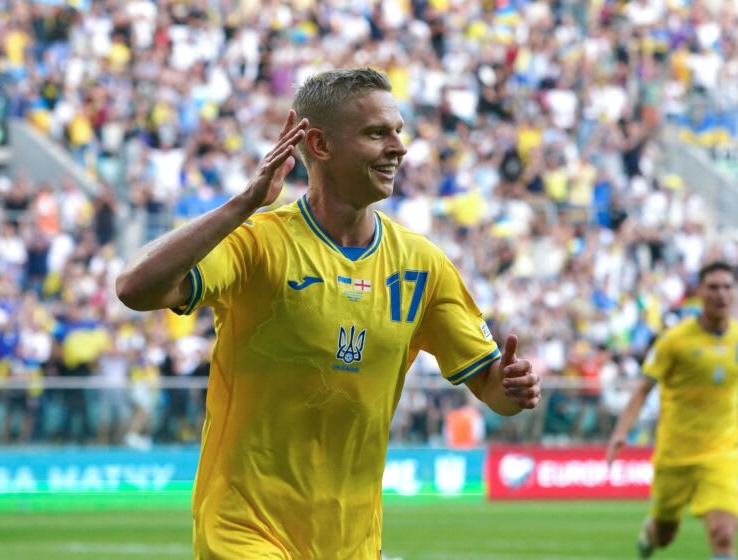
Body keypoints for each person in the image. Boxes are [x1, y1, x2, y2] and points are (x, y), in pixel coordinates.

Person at [116, 68, 540, 559]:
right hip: (243, 530)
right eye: (376, 133)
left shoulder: (423, 265)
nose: (398, 148)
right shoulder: (256, 243)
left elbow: (491, 390)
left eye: (398, 132)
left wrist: (511, 389)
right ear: (319, 144)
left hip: (352, 542)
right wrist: (242, 204)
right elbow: (135, 287)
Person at [605, 261, 738, 560]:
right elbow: (643, 389)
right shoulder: (674, 340)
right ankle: (650, 534)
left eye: (727, 287)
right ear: (699, 292)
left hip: (721, 453)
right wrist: (621, 432)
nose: (720, 294)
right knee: (664, 534)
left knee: (723, 533)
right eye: (713, 287)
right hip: (675, 454)